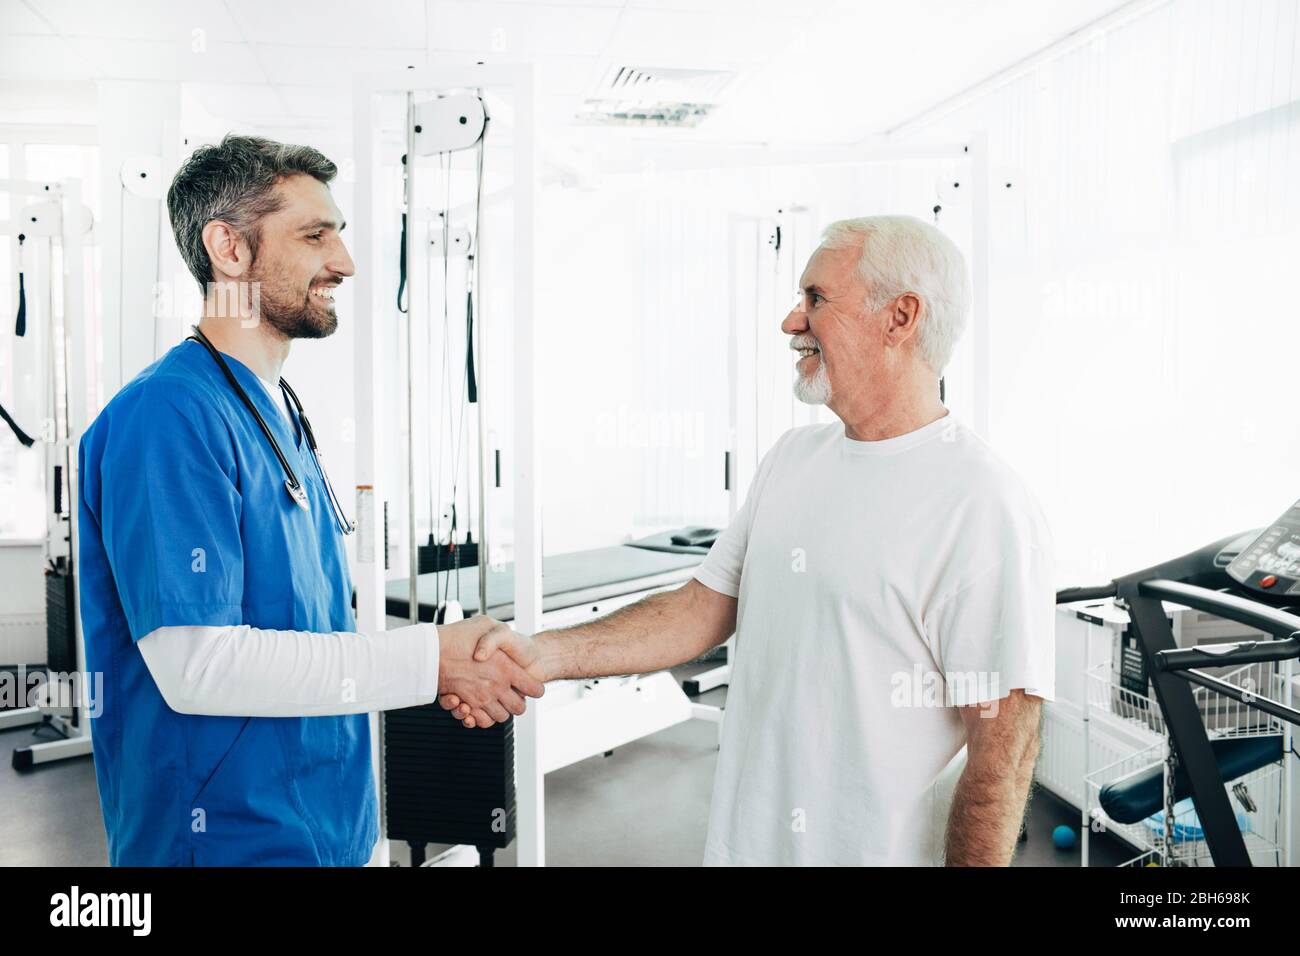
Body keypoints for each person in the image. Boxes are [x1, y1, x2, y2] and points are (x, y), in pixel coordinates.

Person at [444, 215, 1056, 866]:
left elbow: (1002, 758)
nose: (793, 322)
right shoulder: (794, 457)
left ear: (899, 318)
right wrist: (540, 656)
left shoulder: (982, 504)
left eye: (816, 298)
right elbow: (700, 610)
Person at [78, 134, 542, 867]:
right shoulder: (166, 416)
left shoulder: (279, 408)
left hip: (333, 826)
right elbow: (198, 667)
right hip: (227, 842)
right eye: (314, 235)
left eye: (340, 235)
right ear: (228, 248)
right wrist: (430, 661)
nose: (345, 263)